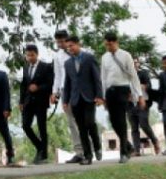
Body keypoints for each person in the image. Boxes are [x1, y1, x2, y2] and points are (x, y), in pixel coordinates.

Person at [100, 33, 144, 164]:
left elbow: (133, 76)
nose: (108, 47)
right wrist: (103, 96)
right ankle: (128, 146)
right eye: (106, 45)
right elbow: (103, 78)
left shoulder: (126, 55)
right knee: (113, 122)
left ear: (116, 42)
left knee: (121, 120)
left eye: (110, 44)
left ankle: (123, 153)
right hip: (110, 92)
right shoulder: (104, 57)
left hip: (122, 90)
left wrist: (139, 95)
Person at [62, 35, 103, 166]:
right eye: (68, 47)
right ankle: (88, 155)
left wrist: (99, 95)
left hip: (89, 97)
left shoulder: (89, 58)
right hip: (75, 100)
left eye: (71, 46)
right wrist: (65, 100)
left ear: (78, 44)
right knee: (82, 129)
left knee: (90, 123)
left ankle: (97, 145)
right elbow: (67, 83)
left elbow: (97, 78)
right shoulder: (67, 63)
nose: (70, 49)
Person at [50, 29, 85, 163]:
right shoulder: (57, 56)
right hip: (66, 90)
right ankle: (79, 152)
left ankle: (90, 148)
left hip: (81, 89)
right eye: (58, 42)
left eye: (62, 41)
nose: (60, 45)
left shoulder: (82, 52)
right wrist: (55, 92)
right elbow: (57, 76)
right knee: (71, 122)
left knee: (84, 121)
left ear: (67, 39)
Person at [19, 44, 53, 164]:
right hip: (28, 102)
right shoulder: (25, 67)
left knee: (42, 127)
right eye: (28, 55)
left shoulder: (46, 67)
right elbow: (23, 85)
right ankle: (39, 146)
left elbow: (50, 84)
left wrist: (38, 87)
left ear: (37, 54)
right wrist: (21, 101)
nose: (30, 58)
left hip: (41, 101)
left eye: (32, 55)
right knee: (25, 125)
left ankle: (43, 155)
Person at [127, 57, 159, 156]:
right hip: (130, 104)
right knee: (134, 128)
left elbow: (149, 85)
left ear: (138, 64)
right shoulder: (125, 75)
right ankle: (137, 150)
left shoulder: (143, 73)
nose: (134, 64)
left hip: (143, 102)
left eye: (136, 62)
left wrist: (143, 86)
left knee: (144, 124)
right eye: (132, 62)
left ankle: (155, 141)